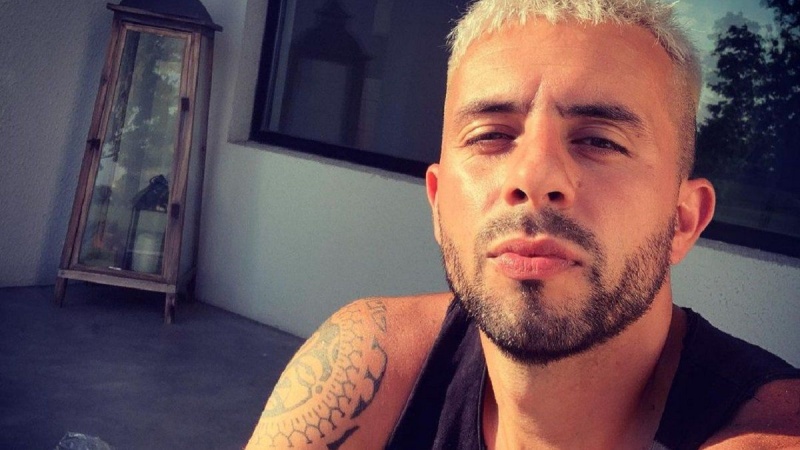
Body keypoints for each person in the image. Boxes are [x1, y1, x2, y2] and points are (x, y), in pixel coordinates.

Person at [246, 0, 800, 448]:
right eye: (490, 136)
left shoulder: (771, 431)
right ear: (438, 204)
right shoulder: (370, 360)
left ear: (682, 220)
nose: (532, 177)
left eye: (600, 140)